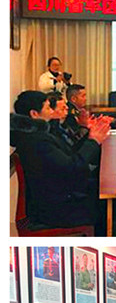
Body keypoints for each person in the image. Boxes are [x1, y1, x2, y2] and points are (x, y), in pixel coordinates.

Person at [10, 91, 110, 229]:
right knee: (109, 205)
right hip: (56, 209)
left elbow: (70, 154)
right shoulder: (36, 141)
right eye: (48, 108)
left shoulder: (39, 134)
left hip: (60, 196)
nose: (52, 111)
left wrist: (90, 136)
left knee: (105, 188)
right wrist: (93, 141)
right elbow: (72, 167)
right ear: (34, 113)